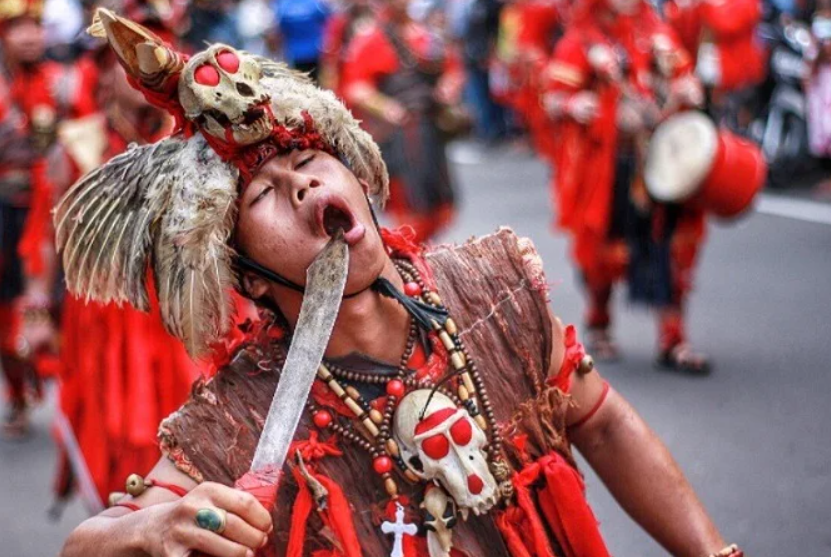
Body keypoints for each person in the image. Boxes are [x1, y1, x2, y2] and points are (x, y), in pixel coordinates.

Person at [58, 9, 742, 557]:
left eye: (306, 157)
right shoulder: (238, 417)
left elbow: (606, 424)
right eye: (263, 192)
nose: (301, 183)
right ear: (246, 276)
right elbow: (90, 543)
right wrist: (142, 532)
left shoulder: (490, 287)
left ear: (353, 174)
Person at [50, 0, 203, 514]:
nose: (145, 72)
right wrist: (34, 308)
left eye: (157, 58)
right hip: (104, 319)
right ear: (104, 72)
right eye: (129, 61)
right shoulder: (79, 144)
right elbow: (46, 235)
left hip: (182, 315)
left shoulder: (199, 143)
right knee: (110, 432)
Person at [542, 0, 711, 371]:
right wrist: (574, 105)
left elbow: (685, 76)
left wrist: (688, 90)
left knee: (671, 245)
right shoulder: (582, 39)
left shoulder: (657, 32)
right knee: (604, 250)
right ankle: (599, 320)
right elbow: (552, 97)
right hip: (610, 165)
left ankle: (674, 338)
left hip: (659, 159)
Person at [0, 0, 96, 438]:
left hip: (55, 211)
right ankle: (18, 391)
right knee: (7, 311)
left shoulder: (63, 83)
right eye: (17, 27)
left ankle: (75, 396)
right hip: (6, 213)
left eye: (34, 27)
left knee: (64, 305)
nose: (28, 36)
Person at [341, 0, 464, 243]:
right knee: (410, 206)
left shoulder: (428, 36)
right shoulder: (369, 40)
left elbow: (453, 70)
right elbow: (355, 88)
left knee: (442, 205)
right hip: (401, 134)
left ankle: (424, 253)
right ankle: (415, 260)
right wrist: (386, 108)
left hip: (431, 128)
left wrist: (448, 88)